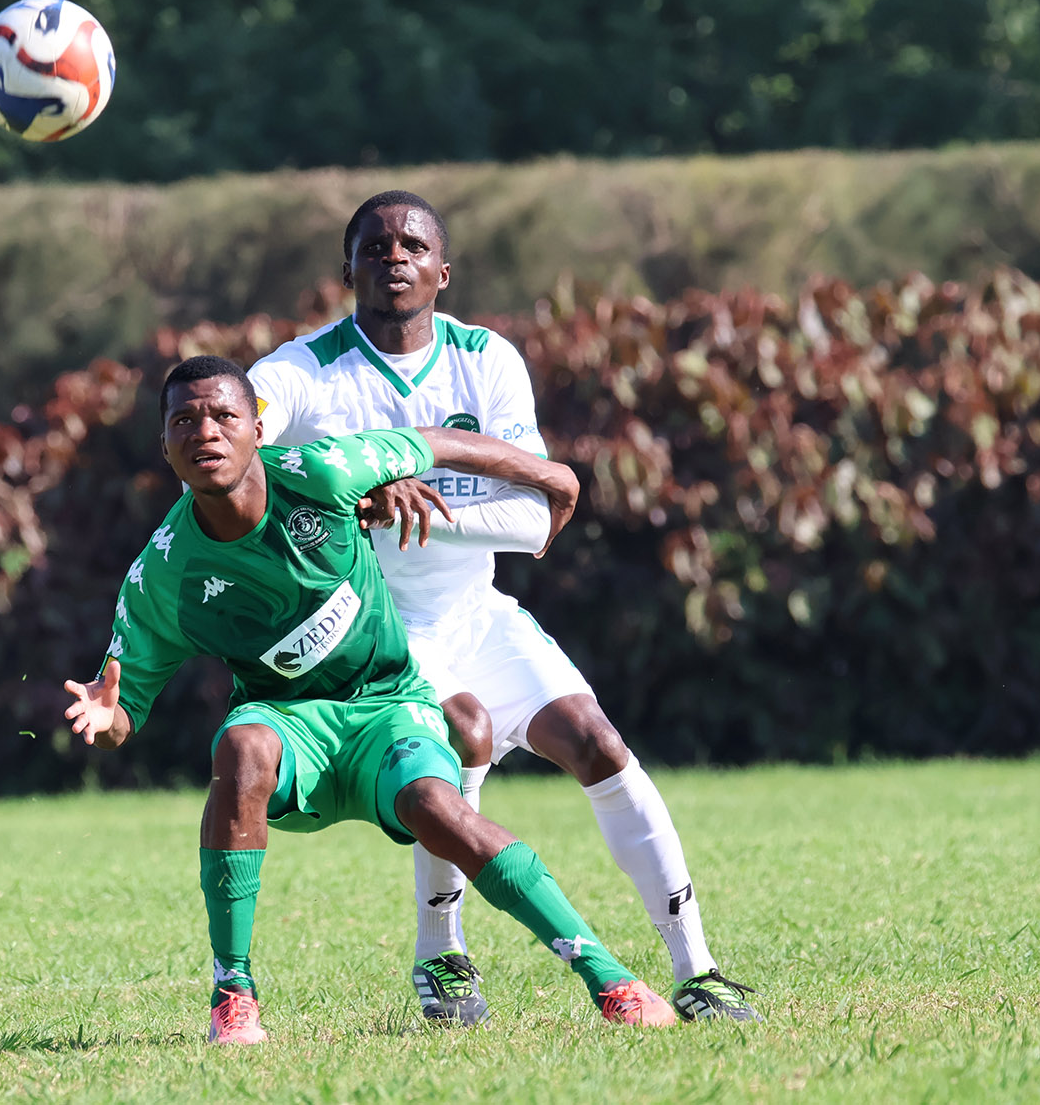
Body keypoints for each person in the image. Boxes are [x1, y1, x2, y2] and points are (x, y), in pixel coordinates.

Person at [245, 190, 759, 1024]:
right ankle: (441, 954)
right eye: (374, 247)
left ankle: (697, 967)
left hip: (478, 611)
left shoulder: (486, 359)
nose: (395, 257)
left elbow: (531, 521)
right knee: (461, 736)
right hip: (376, 635)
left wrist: (407, 508)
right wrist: (345, 487)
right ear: (348, 272)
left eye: (414, 245)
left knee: (598, 742)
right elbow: (240, 439)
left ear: (443, 272)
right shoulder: (304, 370)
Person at [63, 355, 677, 1044]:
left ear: (258, 429)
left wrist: (552, 477)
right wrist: (106, 714)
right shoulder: (164, 573)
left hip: (390, 705)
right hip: (291, 725)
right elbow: (124, 713)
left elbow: (435, 440)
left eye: (224, 415)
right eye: (184, 419)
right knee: (240, 743)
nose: (205, 430)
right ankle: (233, 991)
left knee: (437, 808)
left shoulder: (323, 473)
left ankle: (609, 976)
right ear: (166, 445)